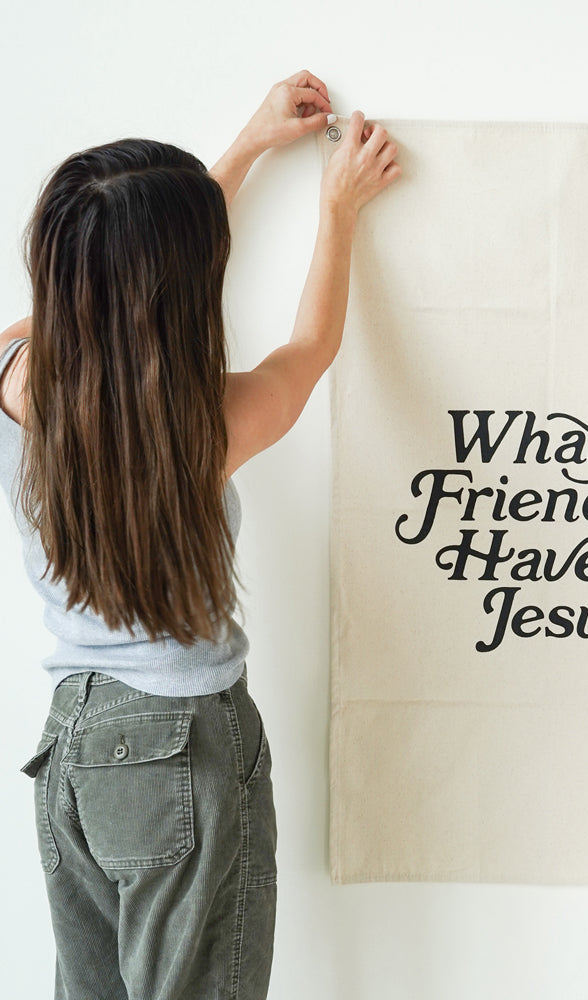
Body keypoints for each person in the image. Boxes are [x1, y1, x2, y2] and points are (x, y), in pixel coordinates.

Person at [0, 70, 399, 999]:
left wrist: (249, 143)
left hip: (71, 750)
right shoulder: (203, 428)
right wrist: (338, 207)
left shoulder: (15, 376)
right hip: (180, 745)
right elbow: (309, 351)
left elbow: (117, 273)